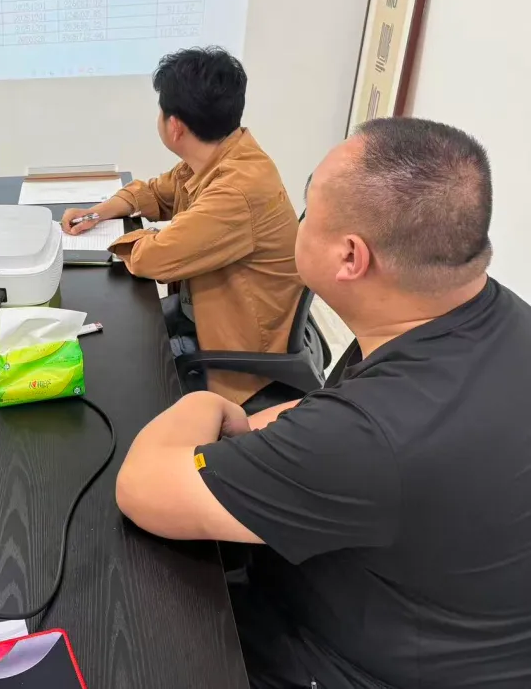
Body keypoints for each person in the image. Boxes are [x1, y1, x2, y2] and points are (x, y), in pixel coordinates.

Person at [116, 117, 531, 688]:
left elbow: (141, 487)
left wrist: (205, 405)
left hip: (343, 664)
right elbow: (332, 416)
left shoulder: (373, 437)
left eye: (308, 211)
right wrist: (267, 429)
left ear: (350, 257)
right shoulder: (490, 315)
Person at [62, 47, 301, 405]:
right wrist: (97, 214)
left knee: (107, 370)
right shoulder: (222, 154)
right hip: (204, 317)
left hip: (238, 354)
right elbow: (156, 193)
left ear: (174, 126)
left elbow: (153, 259)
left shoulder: (237, 189)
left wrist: (142, 237)